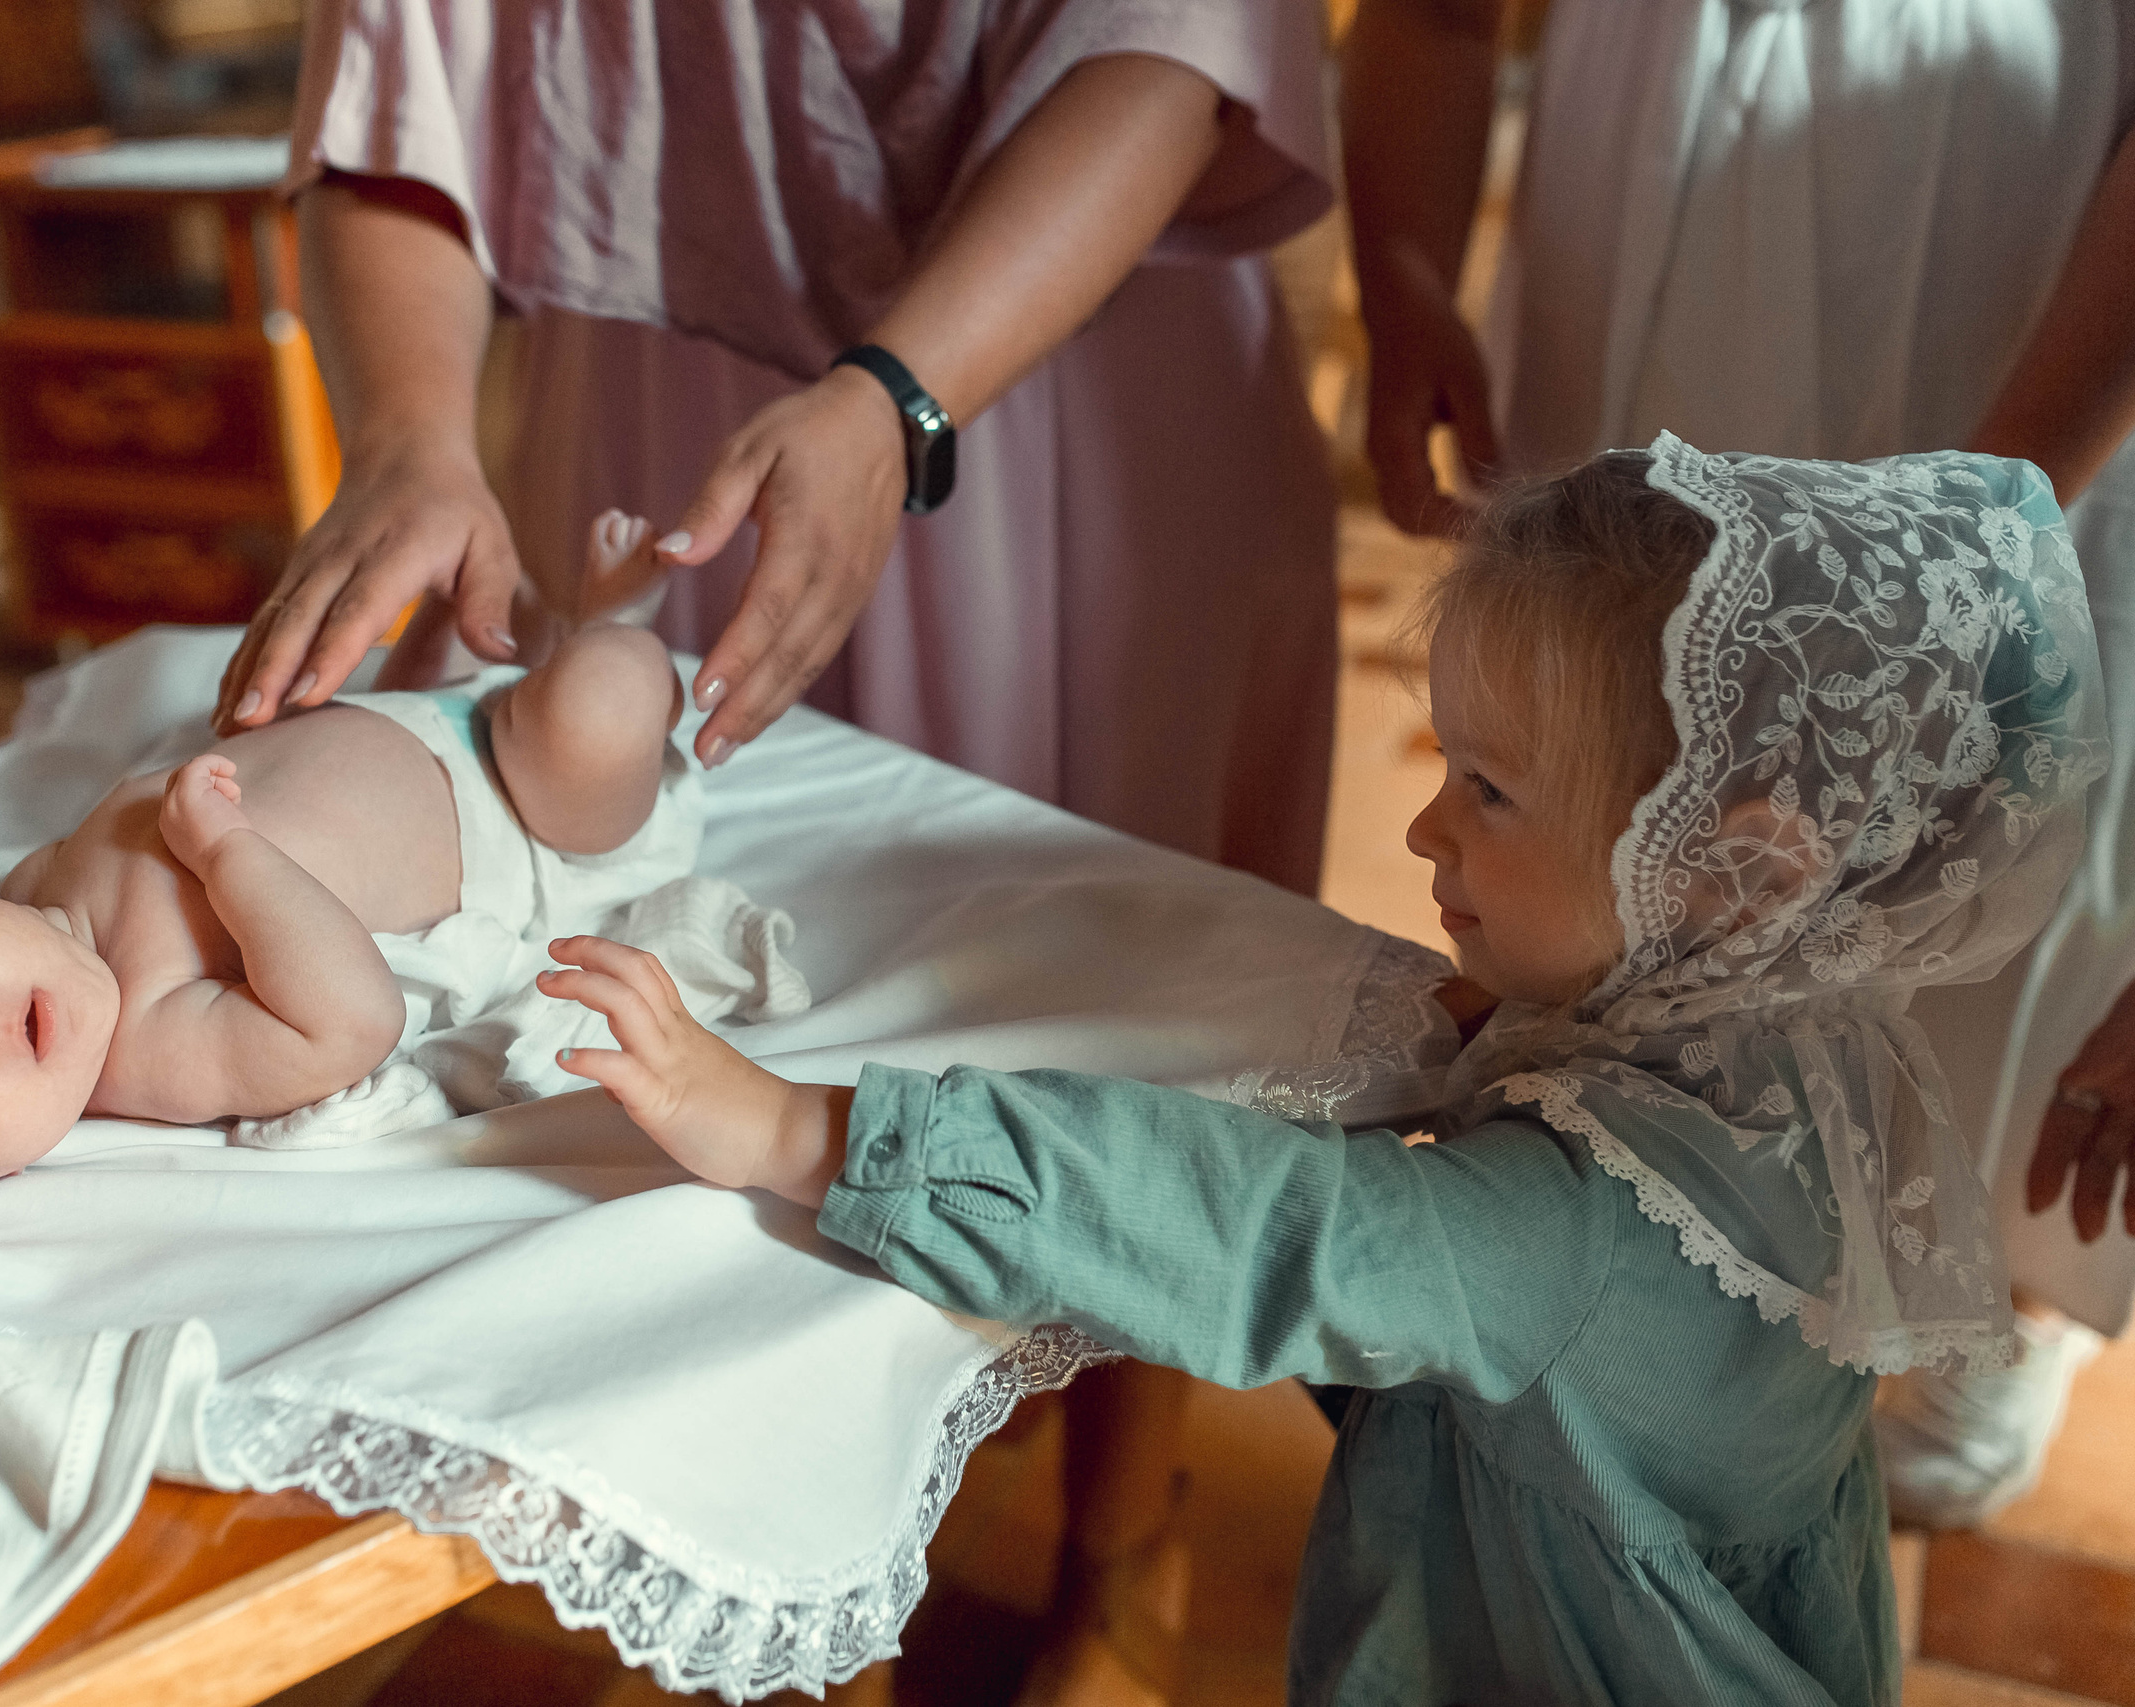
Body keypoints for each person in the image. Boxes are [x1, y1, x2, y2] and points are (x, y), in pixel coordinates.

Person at [540, 439, 2107, 1704]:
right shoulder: (1810, 1033)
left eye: (1488, 788)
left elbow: (1270, 1228)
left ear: (1733, 874)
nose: (1427, 831)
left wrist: (813, 1129)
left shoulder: (1570, 1232)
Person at [229, 11, 1343, 1700]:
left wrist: (902, 395)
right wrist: (405, 428)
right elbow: (405, 78)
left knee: (1108, 978)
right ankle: (753, 1555)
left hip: (1071, 345)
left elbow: (1172, 38)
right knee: (666, 986)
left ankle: (1129, 1523)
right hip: (660, 383)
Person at [1343, 0, 2135, 1527]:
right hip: (1647, 155)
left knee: (1957, 773)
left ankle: (1987, 1274)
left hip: (2009, 194)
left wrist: (1980, 532)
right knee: (1612, 752)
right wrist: (1408, 269)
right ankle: (1608, 1202)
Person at [0, 517, 696, 1212]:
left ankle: (556, 637)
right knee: (596, 700)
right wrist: (228, 854)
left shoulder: (32, 889)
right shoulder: (144, 1048)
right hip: (524, 819)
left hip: (410, 714)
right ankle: (607, 630)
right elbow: (348, 1022)